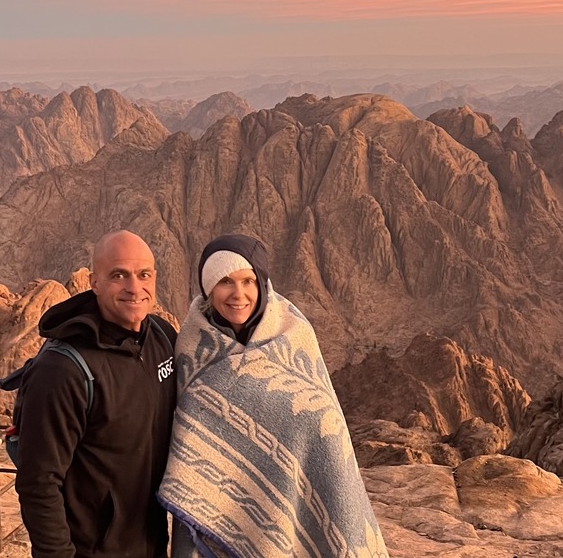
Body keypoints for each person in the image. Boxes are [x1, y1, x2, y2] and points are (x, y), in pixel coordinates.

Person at [158, 233, 389, 558]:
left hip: (292, 515)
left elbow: (325, 430)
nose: (238, 294)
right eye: (225, 281)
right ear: (209, 288)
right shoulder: (190, 347)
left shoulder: (295, 336)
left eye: (248, 281)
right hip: (212, 525)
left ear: (261, 284)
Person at [15, 230, 177, 558]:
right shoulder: (63, 370)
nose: (135, 288)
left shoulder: (162, 338)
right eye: (118, 275)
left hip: (153, 543)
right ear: (95, 282)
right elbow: (38, 483)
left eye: (143, 275)